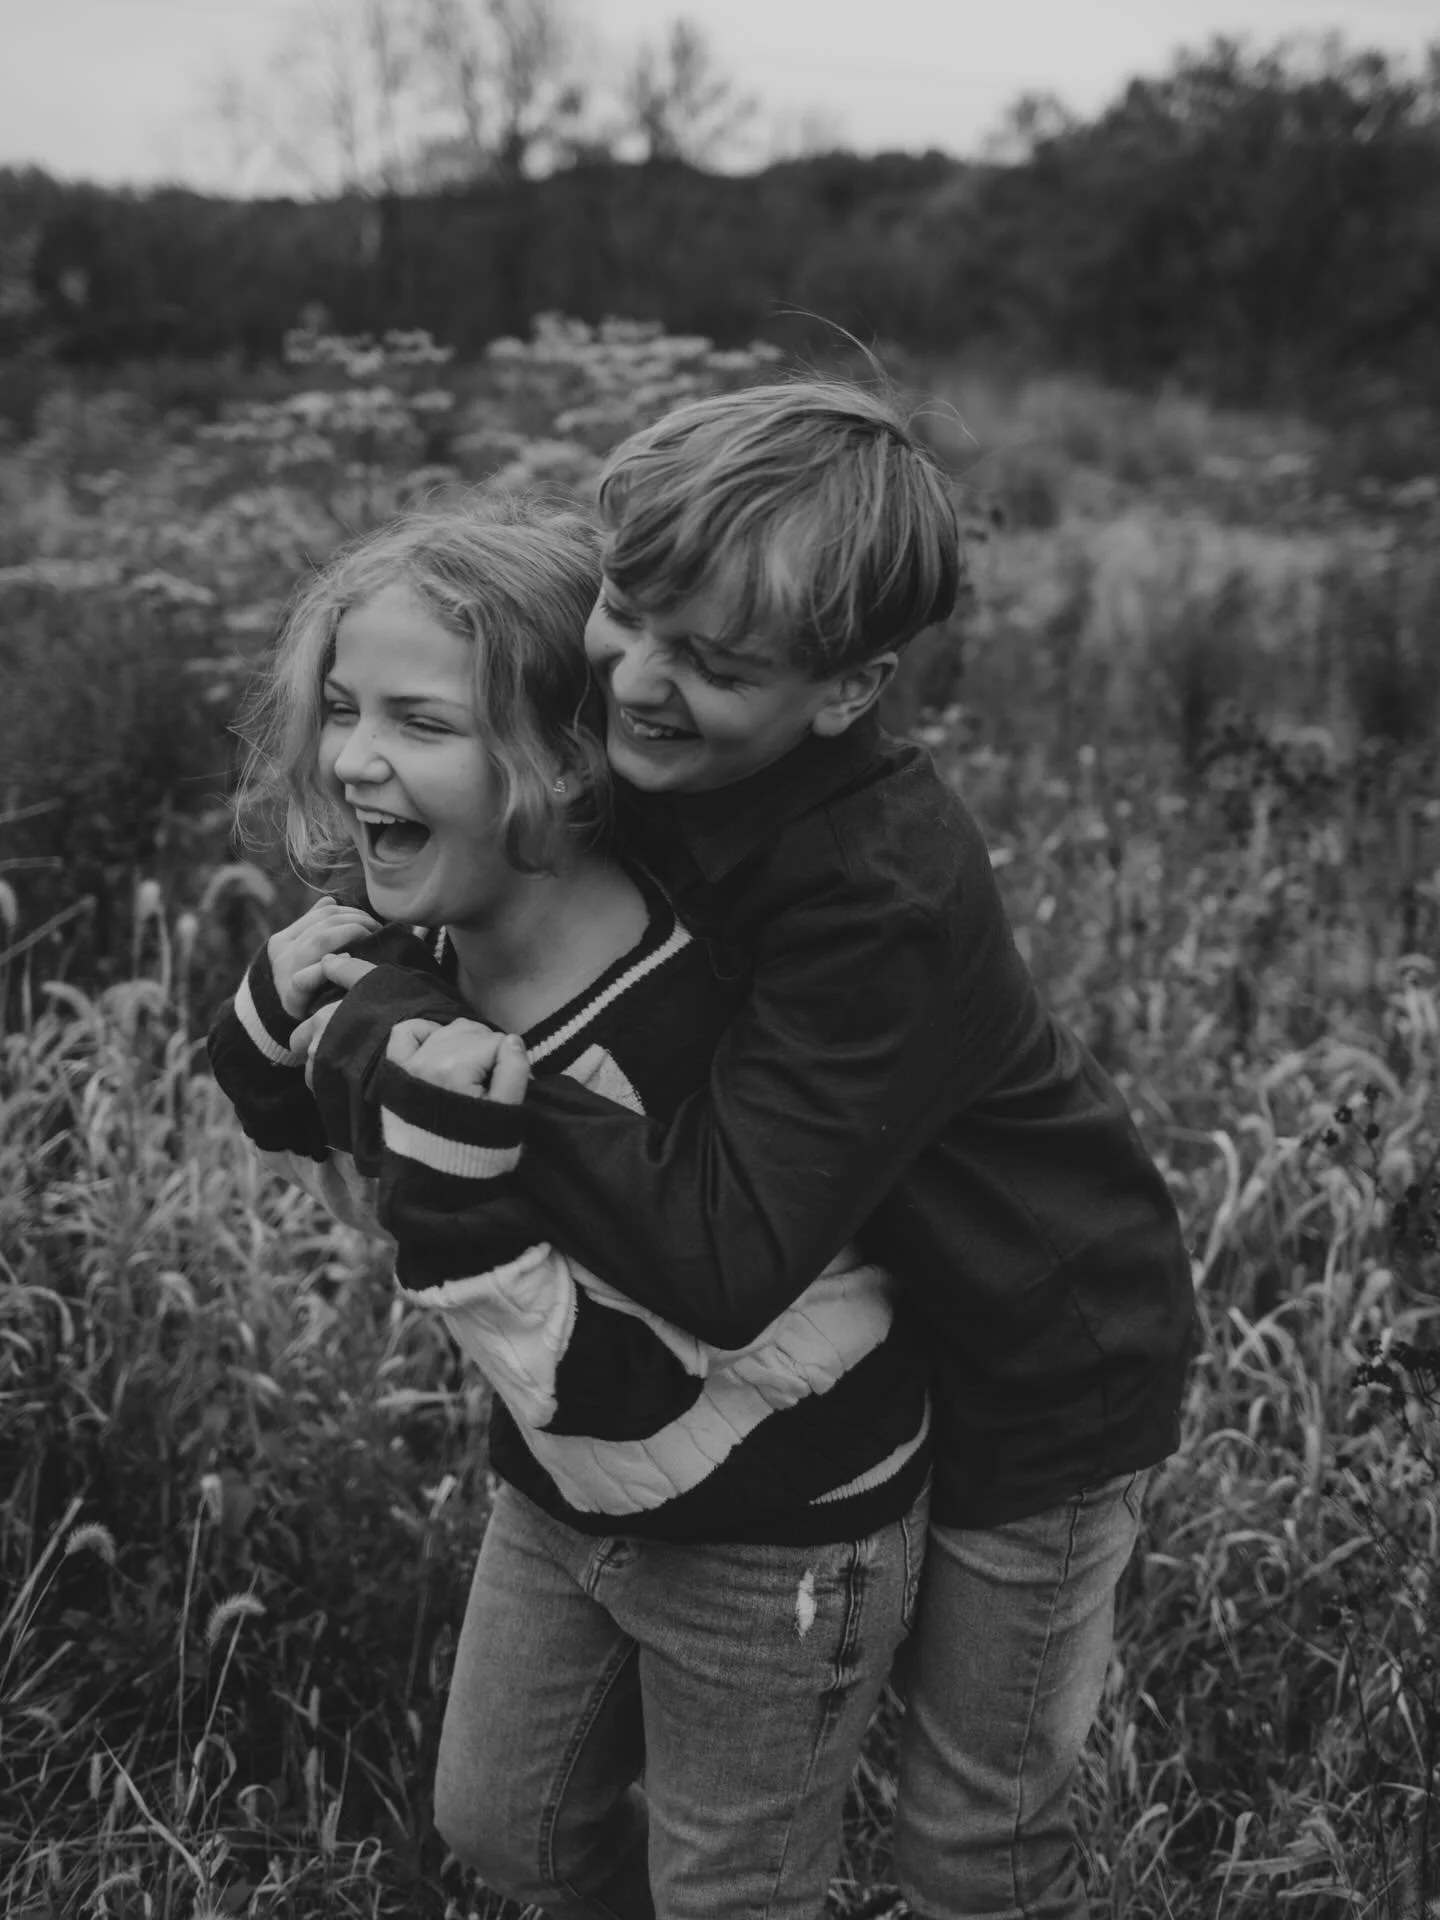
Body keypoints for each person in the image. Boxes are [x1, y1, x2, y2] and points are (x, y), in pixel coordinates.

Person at [305, 385, 1201, 1920]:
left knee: (972, 1838)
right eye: (628, 615)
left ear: (848, 691)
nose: (640, 681)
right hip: (822, 1352)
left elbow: (723, 1254)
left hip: (1032, 1364)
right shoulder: (653, 752)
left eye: (712, 665)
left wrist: (478, 1084)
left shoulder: (880, 896)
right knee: (556, 1817)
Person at [206, 494, 931, 1920]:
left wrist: (459, 1210)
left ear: (561, 759)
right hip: (563, 1499)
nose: (355, 758)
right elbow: (295, 1097)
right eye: (345, 708)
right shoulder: (422, 944)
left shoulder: (678, 1025)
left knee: (732, 1887)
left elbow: (638, 1376)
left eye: (421, 723)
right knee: (505, 1831)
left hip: (779, 1527)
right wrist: (272, 1009)